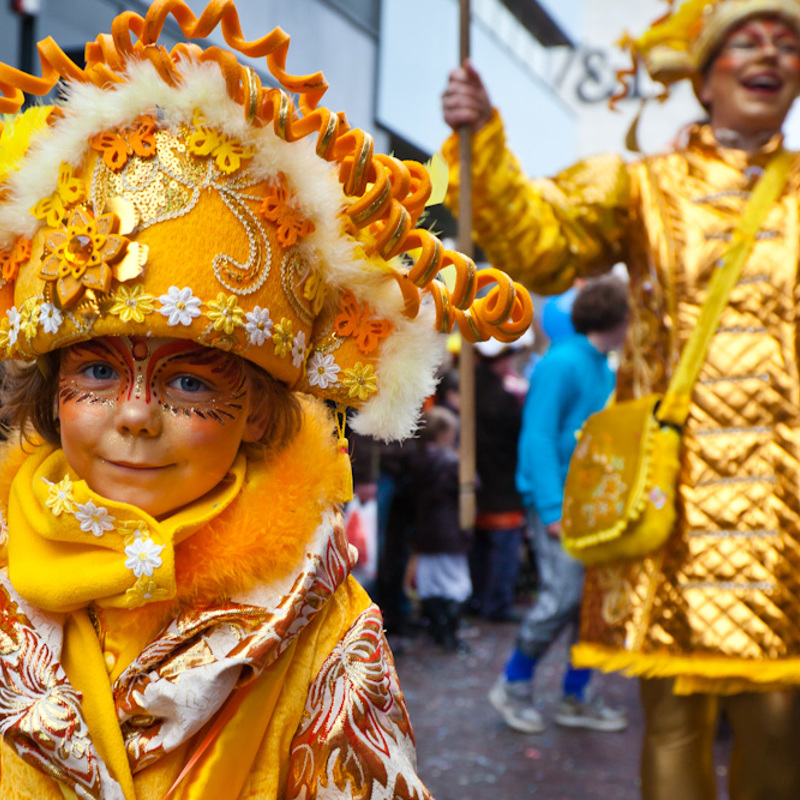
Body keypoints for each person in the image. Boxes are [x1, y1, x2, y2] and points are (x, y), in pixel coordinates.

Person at [0, 2, 533, 797]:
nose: (136, 415)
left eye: (189, 382)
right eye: (99, 372)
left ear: (256, 410)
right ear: (51, 390)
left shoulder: (324, 636)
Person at [442, 1, 800, 797]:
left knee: (779, 713)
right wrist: (484, 142)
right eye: (748, 40)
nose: (769, 55)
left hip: (785, 504)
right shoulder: (643, 186)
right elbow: (540, 248)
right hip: (668, 498)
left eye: (787, 44)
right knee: (674, 712)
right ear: (705, 75)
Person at [488, 277, 629, 733]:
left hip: (587, 503)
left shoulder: (598, 365)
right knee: (564, 596)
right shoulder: (564, 363)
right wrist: (551, 508)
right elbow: (539, 436)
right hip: (562, 503)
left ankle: (576, 694)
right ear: (619, 318)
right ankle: (513, 685)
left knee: (590, 601)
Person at [471, 334, 530, 622]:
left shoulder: (471, 388)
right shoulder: (501, 397)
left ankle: (481, 598)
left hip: (481, 479)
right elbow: (517, 435)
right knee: (502, 547)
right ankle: (496, 603)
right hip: (502, 480)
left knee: (482, 546)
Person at [408, 405, 470, 651]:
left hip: (425, 531)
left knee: (431, 582)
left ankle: (436, 630)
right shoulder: (451, 461)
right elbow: (472, 485)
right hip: (449, 531)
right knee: (455, 584)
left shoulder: (417, 458)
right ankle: (450, 636)